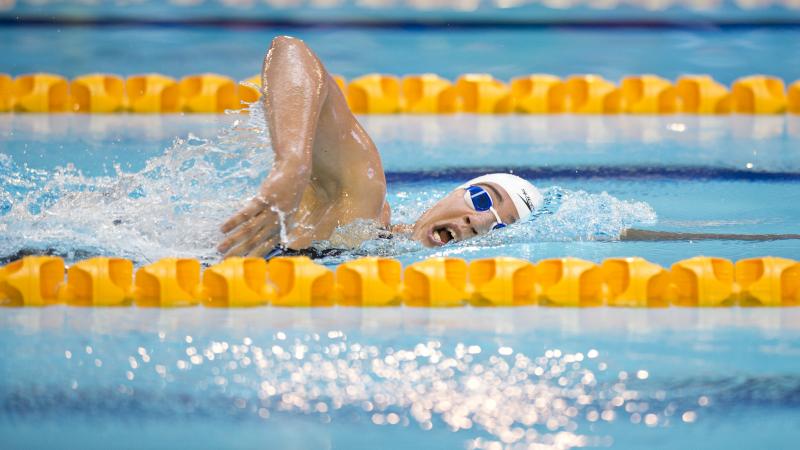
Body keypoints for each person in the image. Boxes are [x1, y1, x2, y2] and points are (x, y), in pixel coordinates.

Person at [218, 36, 799, 258]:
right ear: (451, 194)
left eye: (498, 223)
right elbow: (291, 51)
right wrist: (293, 163)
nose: (479, 220)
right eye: (481, 196)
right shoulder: (356, 206)